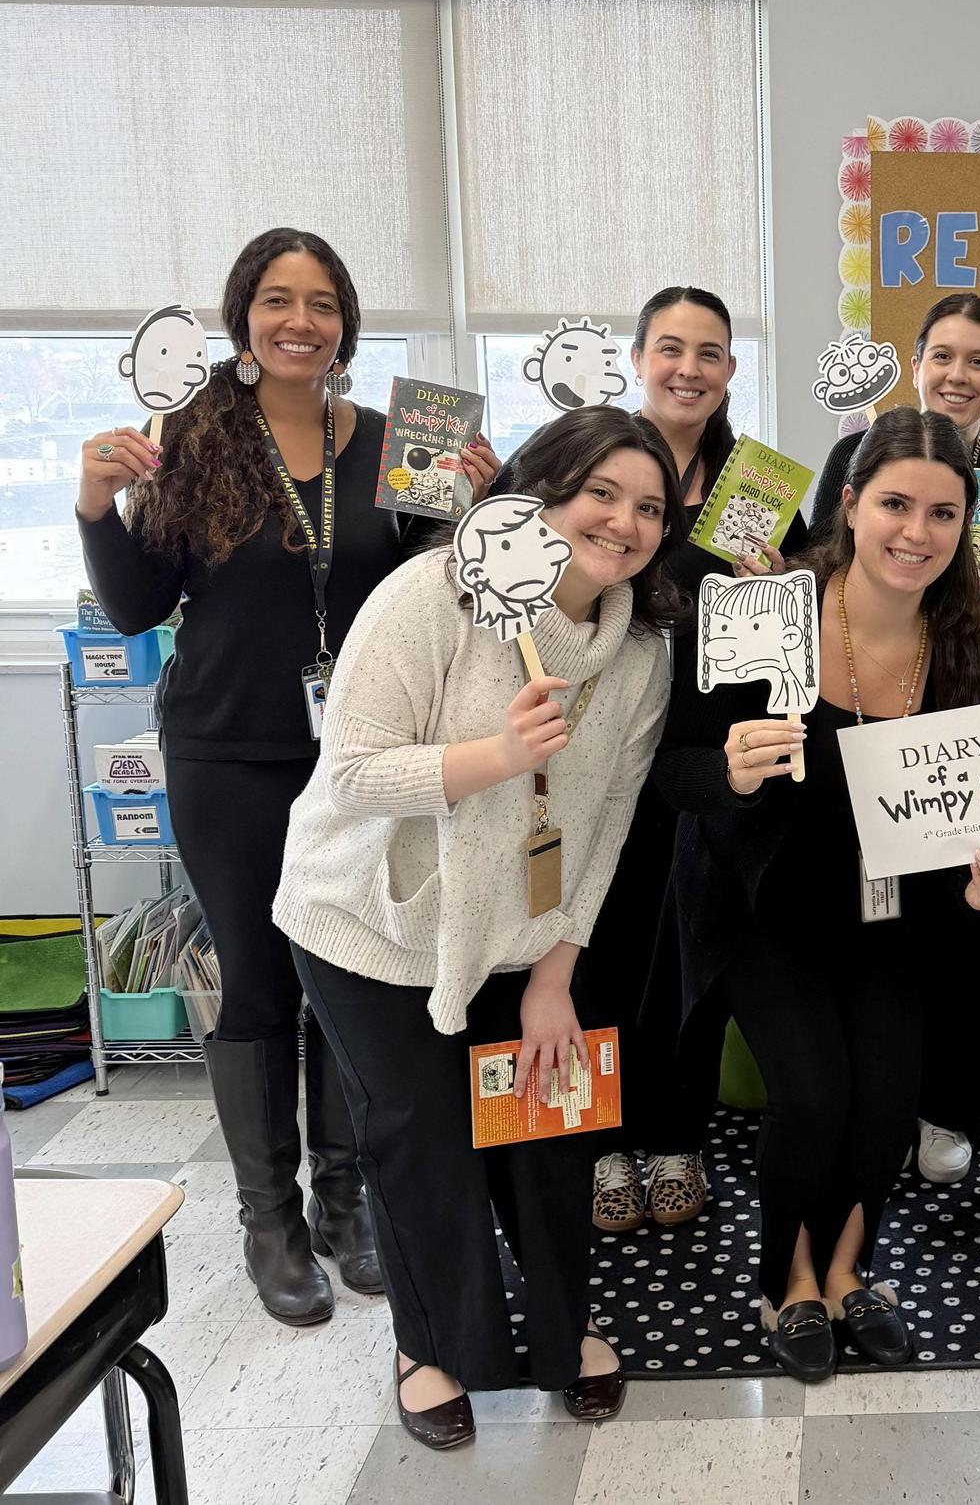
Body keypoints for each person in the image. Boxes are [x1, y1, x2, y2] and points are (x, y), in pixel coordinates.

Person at [75, 227, 498, 1325]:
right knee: (260, 986)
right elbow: (134, 608)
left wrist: (474, 509)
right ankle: (270, 1218)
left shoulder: (409, 436)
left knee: (348, 973)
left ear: (347, 321)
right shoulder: (195, 433)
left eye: (319, 301)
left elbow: (432, 589)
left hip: (364, 756)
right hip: (228, 752)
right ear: (244, 314)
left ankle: (345, 1205)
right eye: (276, 300)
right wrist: (93, 508)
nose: (298, 320)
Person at [273, 408, 687, 1446]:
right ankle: (432, 1342)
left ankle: (561, 1326)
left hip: (522, 929)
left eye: (648, 507)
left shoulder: (639, 645)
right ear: (540, 494)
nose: (624, 522)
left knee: (547, 1124)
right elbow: (356, 772)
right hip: (372, 921)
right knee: (424, 1141)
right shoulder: (432, 596)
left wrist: (557, 974)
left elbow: (606, 825)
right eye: (601, 493)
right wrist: (493, 757)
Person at [662, 408, 980, 1380]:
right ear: (852, 505)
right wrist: (728, 771)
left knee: (886, 1103)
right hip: (763, 907)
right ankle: (787, 1280)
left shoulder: (962, 637)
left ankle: (848, 1271)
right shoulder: (763, 610)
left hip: (886, 917)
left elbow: (976, 816)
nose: (917, 533)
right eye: (897, 505)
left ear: (964, 527)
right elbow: (671, 766)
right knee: (816, 1094)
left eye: (942, 514)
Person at [574, 286, 808, 1237]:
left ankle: (677, 1138)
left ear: (730, 373)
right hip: (594, 757)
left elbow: (789, 637)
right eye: (670, 348)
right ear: (638, 358)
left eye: (710, 353)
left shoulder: (754, 490)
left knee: (691, 953)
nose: (689, 368)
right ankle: (596, 1145)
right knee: (594, 952)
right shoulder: (597, 467)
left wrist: (785, 586)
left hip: (705, 765)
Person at [812, 292, 980, 1185]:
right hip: (877, 707)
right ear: (916, 363)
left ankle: (947, 1106)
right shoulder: (859, 451)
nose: (959, 375)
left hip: (976, 710)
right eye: (943, 357)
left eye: (979, 361)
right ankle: (870, 1095)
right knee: (880, 918)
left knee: (973, 918)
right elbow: (825, 558)